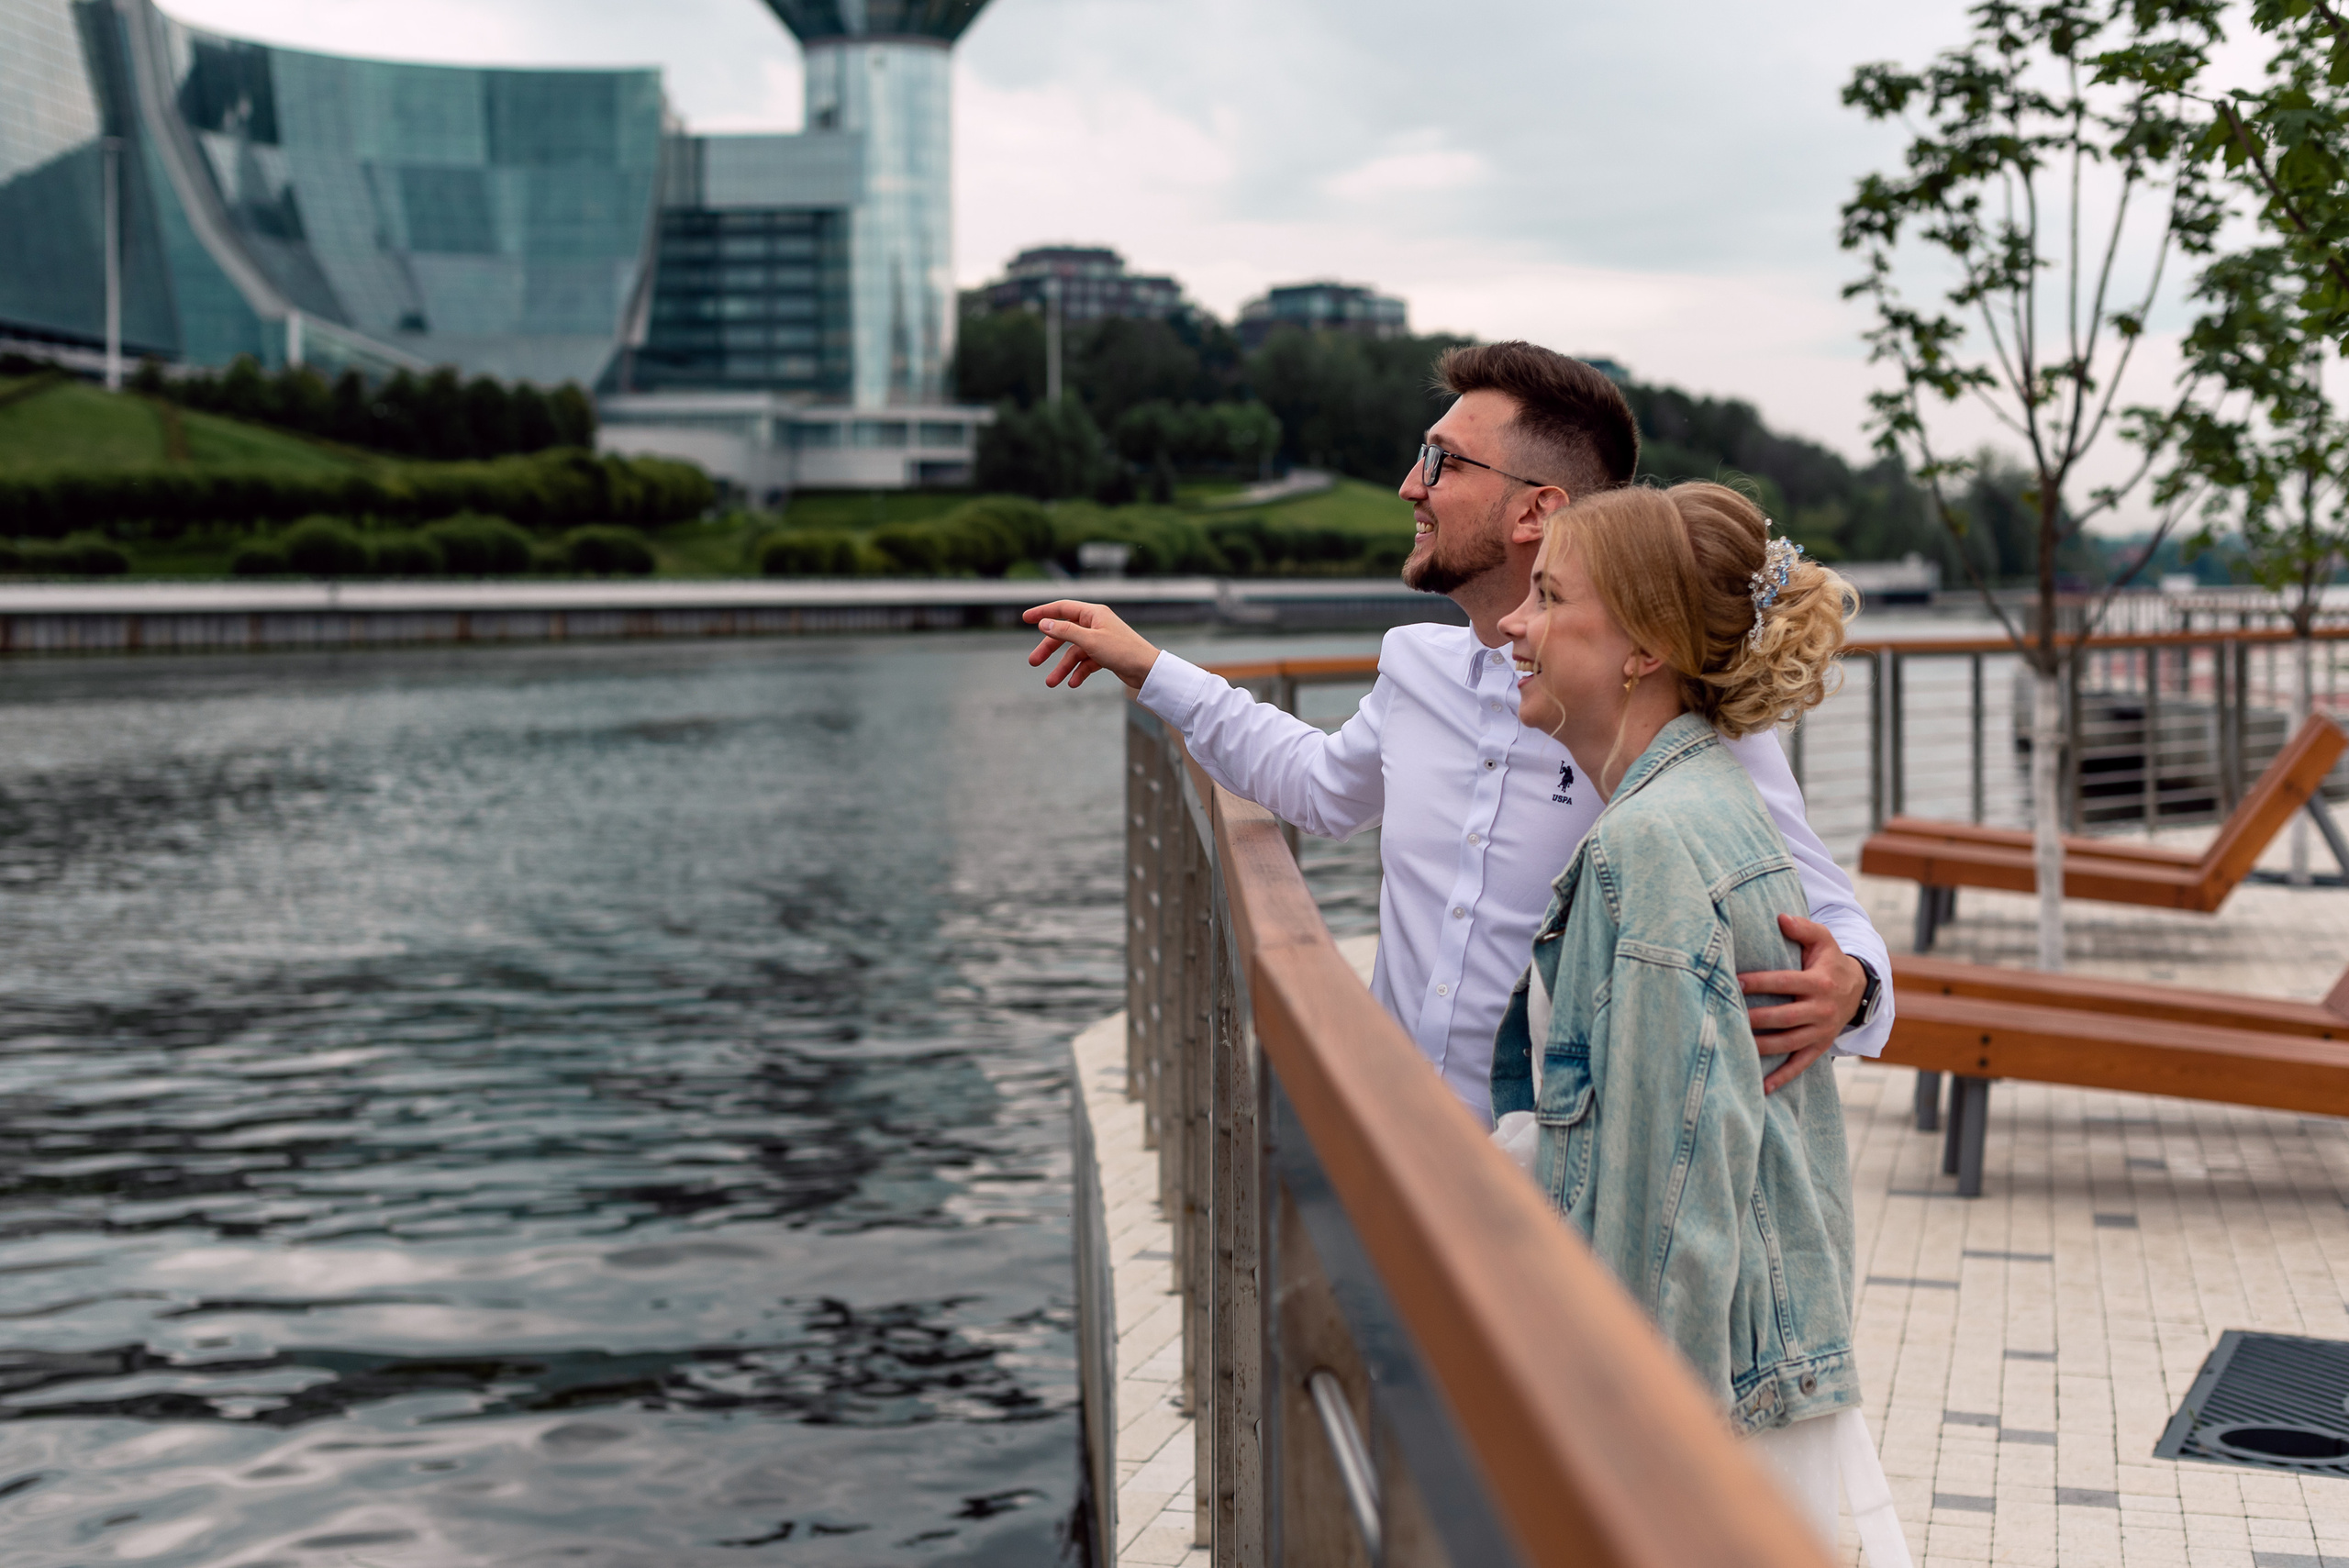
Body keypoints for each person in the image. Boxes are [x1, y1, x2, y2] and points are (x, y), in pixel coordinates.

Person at [1022, 342, 1889, 1121]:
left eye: (1440, 460)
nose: (1410, 484)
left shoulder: (1667, 709)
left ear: (1534, 511)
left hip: (1553, 1177)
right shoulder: (1416, 665)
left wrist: (1851, 985)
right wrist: (1151, 667)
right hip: (1392, 1141)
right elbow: (1323, 788)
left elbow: (1825, 910)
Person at [1488, 481, 1909, 1564]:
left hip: (1695, 1417)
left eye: (1546, 596)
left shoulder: (1652, 850)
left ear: (1642, 647)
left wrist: (1630, 1458)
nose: (1511, 624)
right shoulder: (1704, 804)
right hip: (1763, 1375)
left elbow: (1669, 1191)